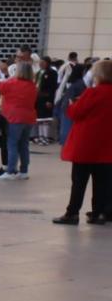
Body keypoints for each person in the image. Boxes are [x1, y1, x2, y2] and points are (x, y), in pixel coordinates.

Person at [53, 59, 112, 225]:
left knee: (79, 182)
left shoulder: (93, 92)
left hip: (86, 145)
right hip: (107, 146)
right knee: (102, 183)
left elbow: (75, 113)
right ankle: (98, 214)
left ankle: (72, 213)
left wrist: (73, 104)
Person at [0, 61, 40, 179]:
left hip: (14, 117)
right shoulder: (33, 86)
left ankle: (10, 171)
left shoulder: (12, 82)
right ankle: (24, 171)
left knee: (12, 144)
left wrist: (1, 77)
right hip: (29, 117)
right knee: (24, 145)